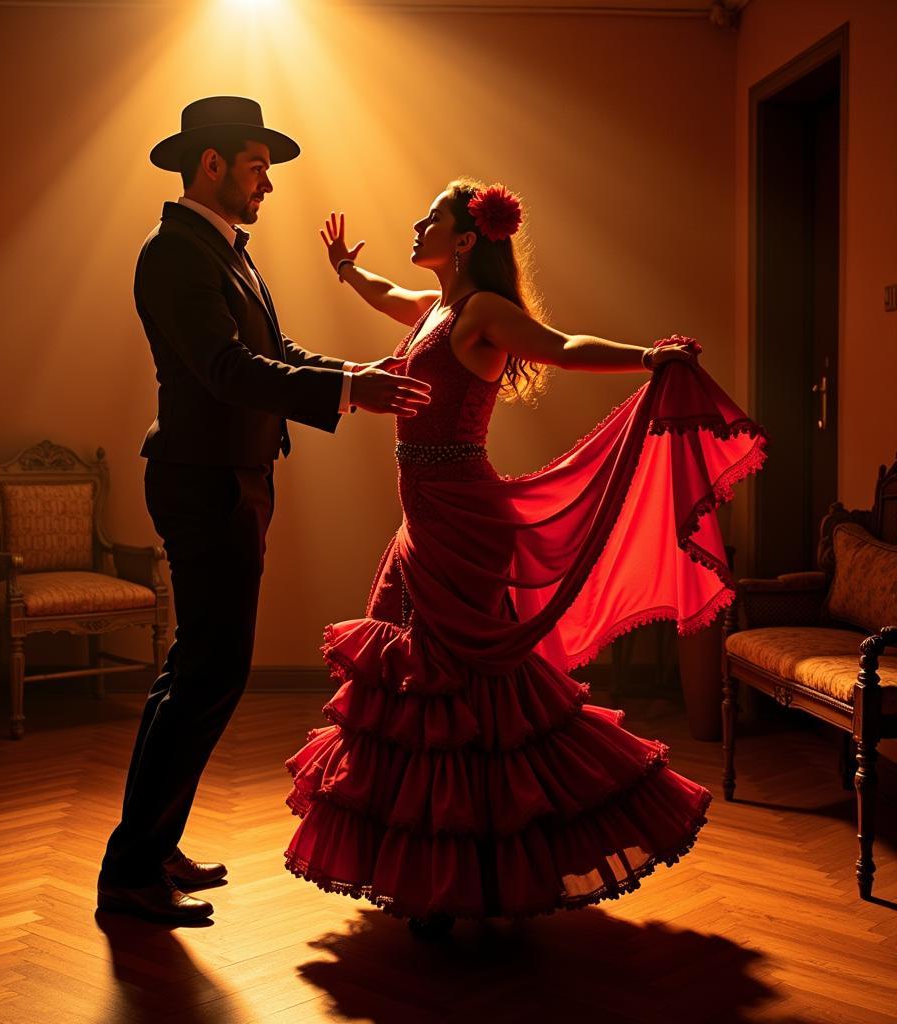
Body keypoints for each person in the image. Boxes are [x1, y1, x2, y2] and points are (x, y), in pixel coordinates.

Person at [284, 179, 767, 936]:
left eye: (430, 219)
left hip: (466, 518)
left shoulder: (482, 312)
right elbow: (385, 293)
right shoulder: (434, 308)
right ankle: (430, 862)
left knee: (467, 691)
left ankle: (467, 867)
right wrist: (346, 269)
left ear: (468, 238)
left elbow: (565, 348)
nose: (415, 226)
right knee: (414, 683)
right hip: (425, 518)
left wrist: (649, 355)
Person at [98, 97, 431, 924]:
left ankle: (150, 850)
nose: (268, 185)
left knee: (194, 672)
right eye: (257, 166)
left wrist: (358, 378)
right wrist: (352, 391)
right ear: (209, 164)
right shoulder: (176, 253)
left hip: (234, 476)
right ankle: (130, 877)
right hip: (204, 479)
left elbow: (274, 357)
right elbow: (224, 367)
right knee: (211, 674)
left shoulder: (224, 253)